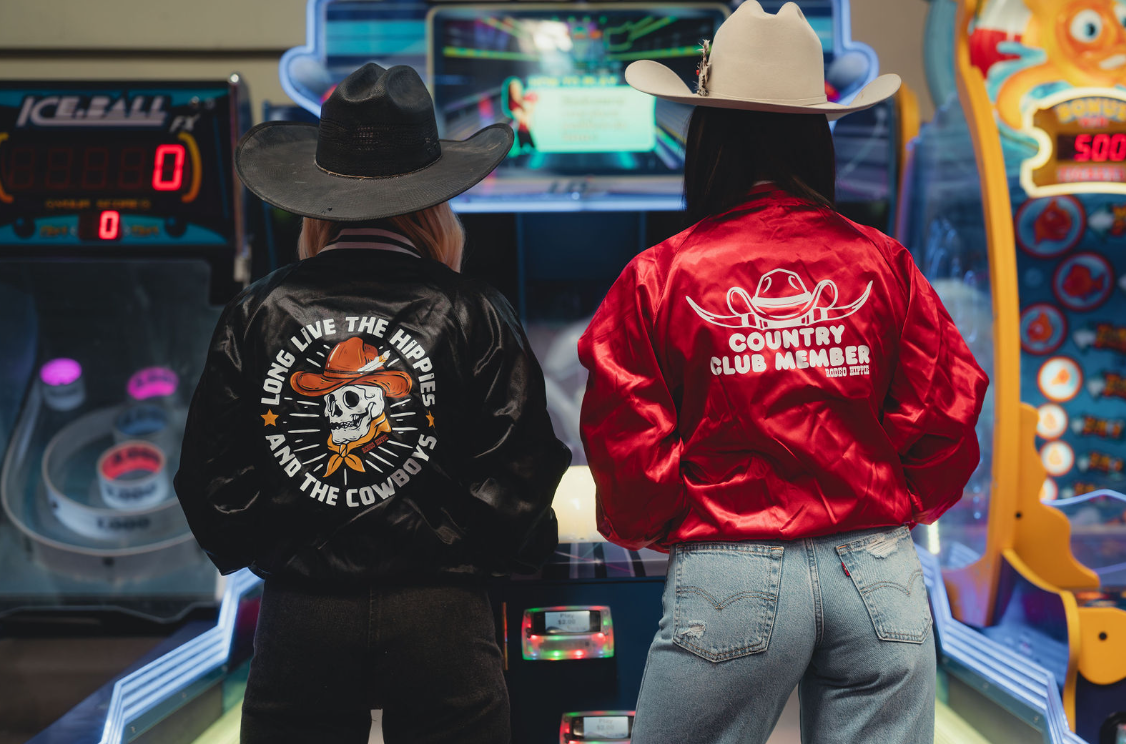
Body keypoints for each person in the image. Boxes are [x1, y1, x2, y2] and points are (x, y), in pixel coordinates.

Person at [577, 4, 988, 743]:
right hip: (880, 573)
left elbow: (630, 451)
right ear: (815, 134)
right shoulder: (882, 262)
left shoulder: (659, 276)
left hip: (730, 569)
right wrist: (885, 503)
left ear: (706, 137)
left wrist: (682, 528)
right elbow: (945, 413)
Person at [174, 63, 570, 744]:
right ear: (433, 205)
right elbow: (520, 481)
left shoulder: (259, 309)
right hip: (442, 614)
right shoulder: (475, 310)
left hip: (301, 614)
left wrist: (285, 541)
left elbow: (211, 485)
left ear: (314, 202)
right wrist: (472, 551)